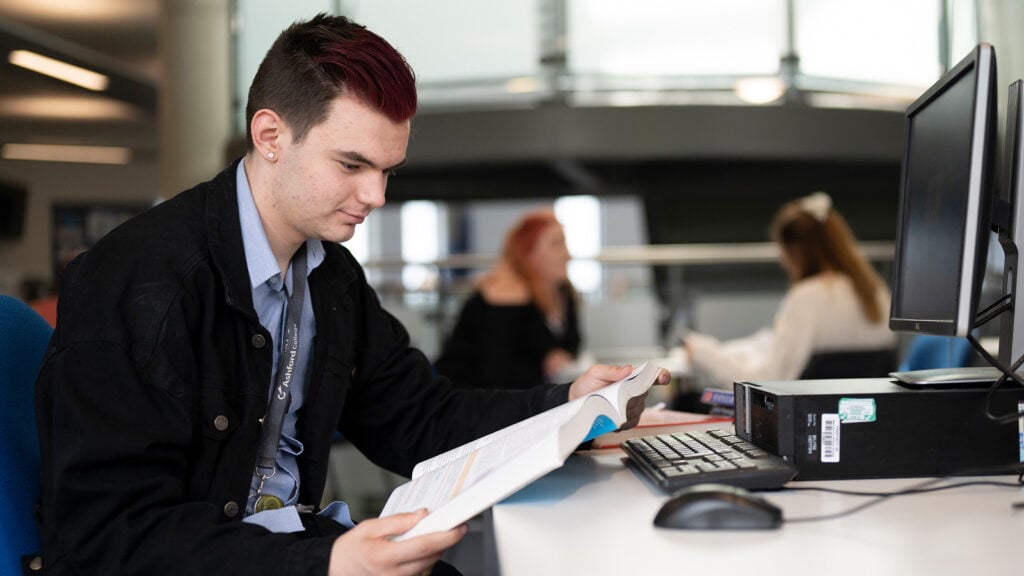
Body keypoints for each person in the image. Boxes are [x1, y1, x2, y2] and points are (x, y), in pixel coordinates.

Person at [33, 14, 667, 576]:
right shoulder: (141, 281)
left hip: (288, 546)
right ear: (271, 135)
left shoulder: (328, 277)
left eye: (387, 171)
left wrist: (567, 405)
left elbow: (422, 418)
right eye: (352, 165)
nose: (376, 197)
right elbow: (106, 536)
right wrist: (328, 560)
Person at [684, 191, 895, 387]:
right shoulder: (877, 293)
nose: (783, 262)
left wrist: (706, 355)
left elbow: (769, 382)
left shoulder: (807, 297)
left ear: (795, 251)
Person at [435, 208, 581, 389]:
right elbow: (497, 375)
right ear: (528, 253)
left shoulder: (563, 293)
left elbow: (571, 345)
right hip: (475, 401)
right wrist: (546, 365)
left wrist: (555, 360)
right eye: (556, 244)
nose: (567, 255)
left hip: (529, 399)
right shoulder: (502, 298)